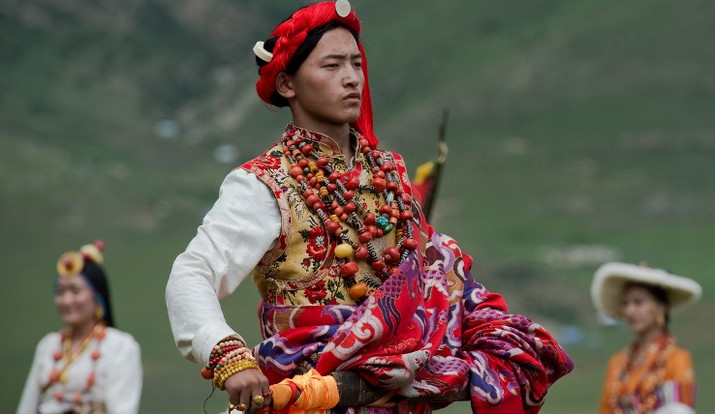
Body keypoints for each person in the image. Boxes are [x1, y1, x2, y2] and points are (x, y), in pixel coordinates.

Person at [165, 1, 573, 413]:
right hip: (303, 400)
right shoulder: (265, 184)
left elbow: (438, 284)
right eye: (331, 66)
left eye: (356, 65)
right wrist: (227, 354)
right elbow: (193, 272)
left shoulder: (390, 175)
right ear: (287, 84)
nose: (351, 79)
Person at [17, 240, 143, 414]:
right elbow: (27, 408)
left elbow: (123, 410)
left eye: (75, 291)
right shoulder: (48, 346)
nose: (66, 300)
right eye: (60, 292)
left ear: (97, 298)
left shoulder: (120, 346)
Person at [591, 262, 701, 414]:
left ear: (661, 307)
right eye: (625, 303)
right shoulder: (617, 363)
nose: (630, 311)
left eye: (638, 302)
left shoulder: (676, 359)